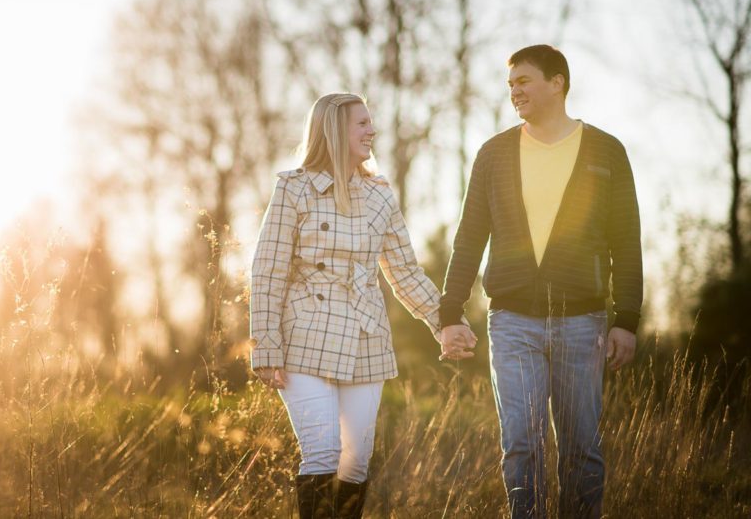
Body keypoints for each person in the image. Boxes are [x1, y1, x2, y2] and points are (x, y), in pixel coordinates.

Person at [439, 45, 643, 519]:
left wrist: (626, 318)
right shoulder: (493, 154)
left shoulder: (606, 151)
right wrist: (449, 315)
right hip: (512, 323)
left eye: (524, 81)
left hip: (583, 322)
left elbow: (626, 242)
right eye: (510, 85)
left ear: (557, 83)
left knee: (582, 451)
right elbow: (468, 239)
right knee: (521, 446)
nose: (515, 92)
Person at [249, 92, 468, 519]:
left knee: (356, 460)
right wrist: (266, 346)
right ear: (334, 130)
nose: (372, 131)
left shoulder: (379, 196)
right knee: (323, 452)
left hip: (367, 337)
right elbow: (268, 270)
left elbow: (404, 271)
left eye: (371, 123)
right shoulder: (293, 189)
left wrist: (446, 322)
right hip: (304, 335)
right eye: (362, 124)